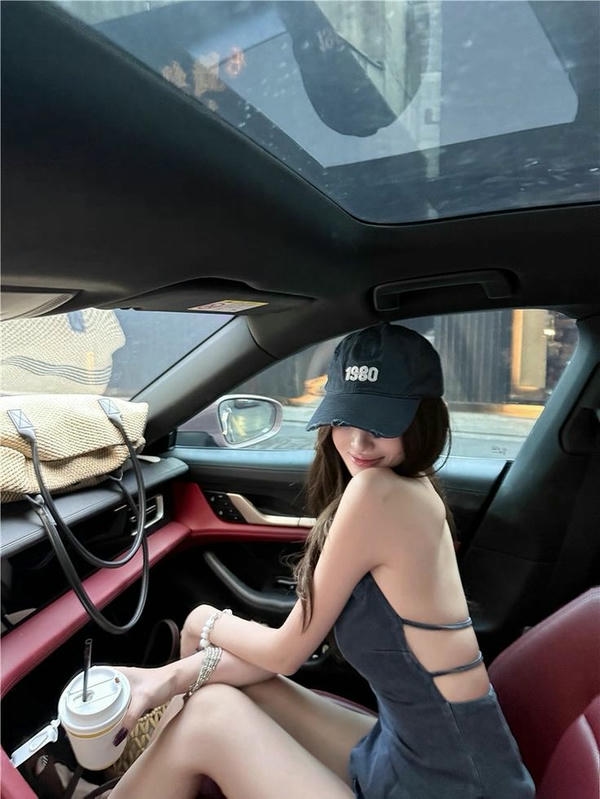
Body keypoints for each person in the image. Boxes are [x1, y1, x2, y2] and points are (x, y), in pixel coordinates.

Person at [109, 323, 535, 799]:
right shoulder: (412, 488)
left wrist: (200, 623)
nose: (358, 444)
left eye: (381, 425)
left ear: (423, 421)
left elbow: (284, 654)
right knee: (221, 687)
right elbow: (282, 653)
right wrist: (168, 678)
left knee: (207, 718)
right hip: (410, 749)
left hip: (453, 784)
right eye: (345, 420)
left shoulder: (379, 493)